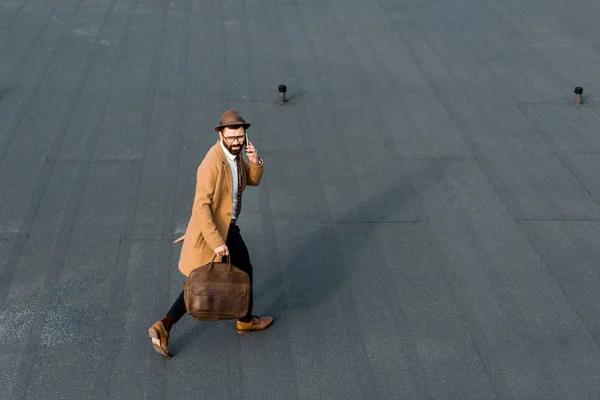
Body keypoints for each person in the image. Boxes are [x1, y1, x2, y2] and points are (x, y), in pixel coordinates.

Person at [148, 110, 273, 357]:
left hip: (225, 225)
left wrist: (255, 161)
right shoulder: (212, 164)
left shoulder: (236, 157)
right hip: (218, 229)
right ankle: (243, 321)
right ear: (220, 134)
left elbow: (250, 180)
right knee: (205, 281)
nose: (236, 141)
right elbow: (201, 206)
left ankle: (165, 325)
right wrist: (216, 242)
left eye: (240, 136)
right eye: (231, 137)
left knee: (217, 275)